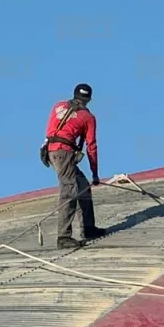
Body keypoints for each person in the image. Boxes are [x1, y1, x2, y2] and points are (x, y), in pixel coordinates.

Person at [43, 83, 108, 248]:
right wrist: (95, 173)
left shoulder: (59, 105)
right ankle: (63, 237)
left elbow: (51, 128)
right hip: (64, 153)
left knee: (83, 186)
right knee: (69, 192)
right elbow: (91, 146)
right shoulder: (88, 117)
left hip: (52, 151)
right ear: (89, 99)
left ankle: (88, 228)